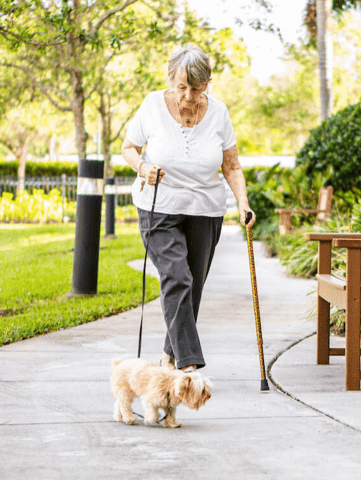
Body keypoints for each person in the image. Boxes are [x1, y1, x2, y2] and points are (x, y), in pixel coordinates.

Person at [121, 44, 255, 373]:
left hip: (206, 209)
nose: (187, 96)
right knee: (177, 277)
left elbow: (232, 166)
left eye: (196, 88)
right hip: (159, 206)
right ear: (172, 81)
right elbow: (128, 147)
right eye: (181, 87)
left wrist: (243, 202)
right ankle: (188, 366)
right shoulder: (153, 105)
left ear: (207, 83)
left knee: (193, 286)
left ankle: (168, 358)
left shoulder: (219, 113)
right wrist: (142, 168)